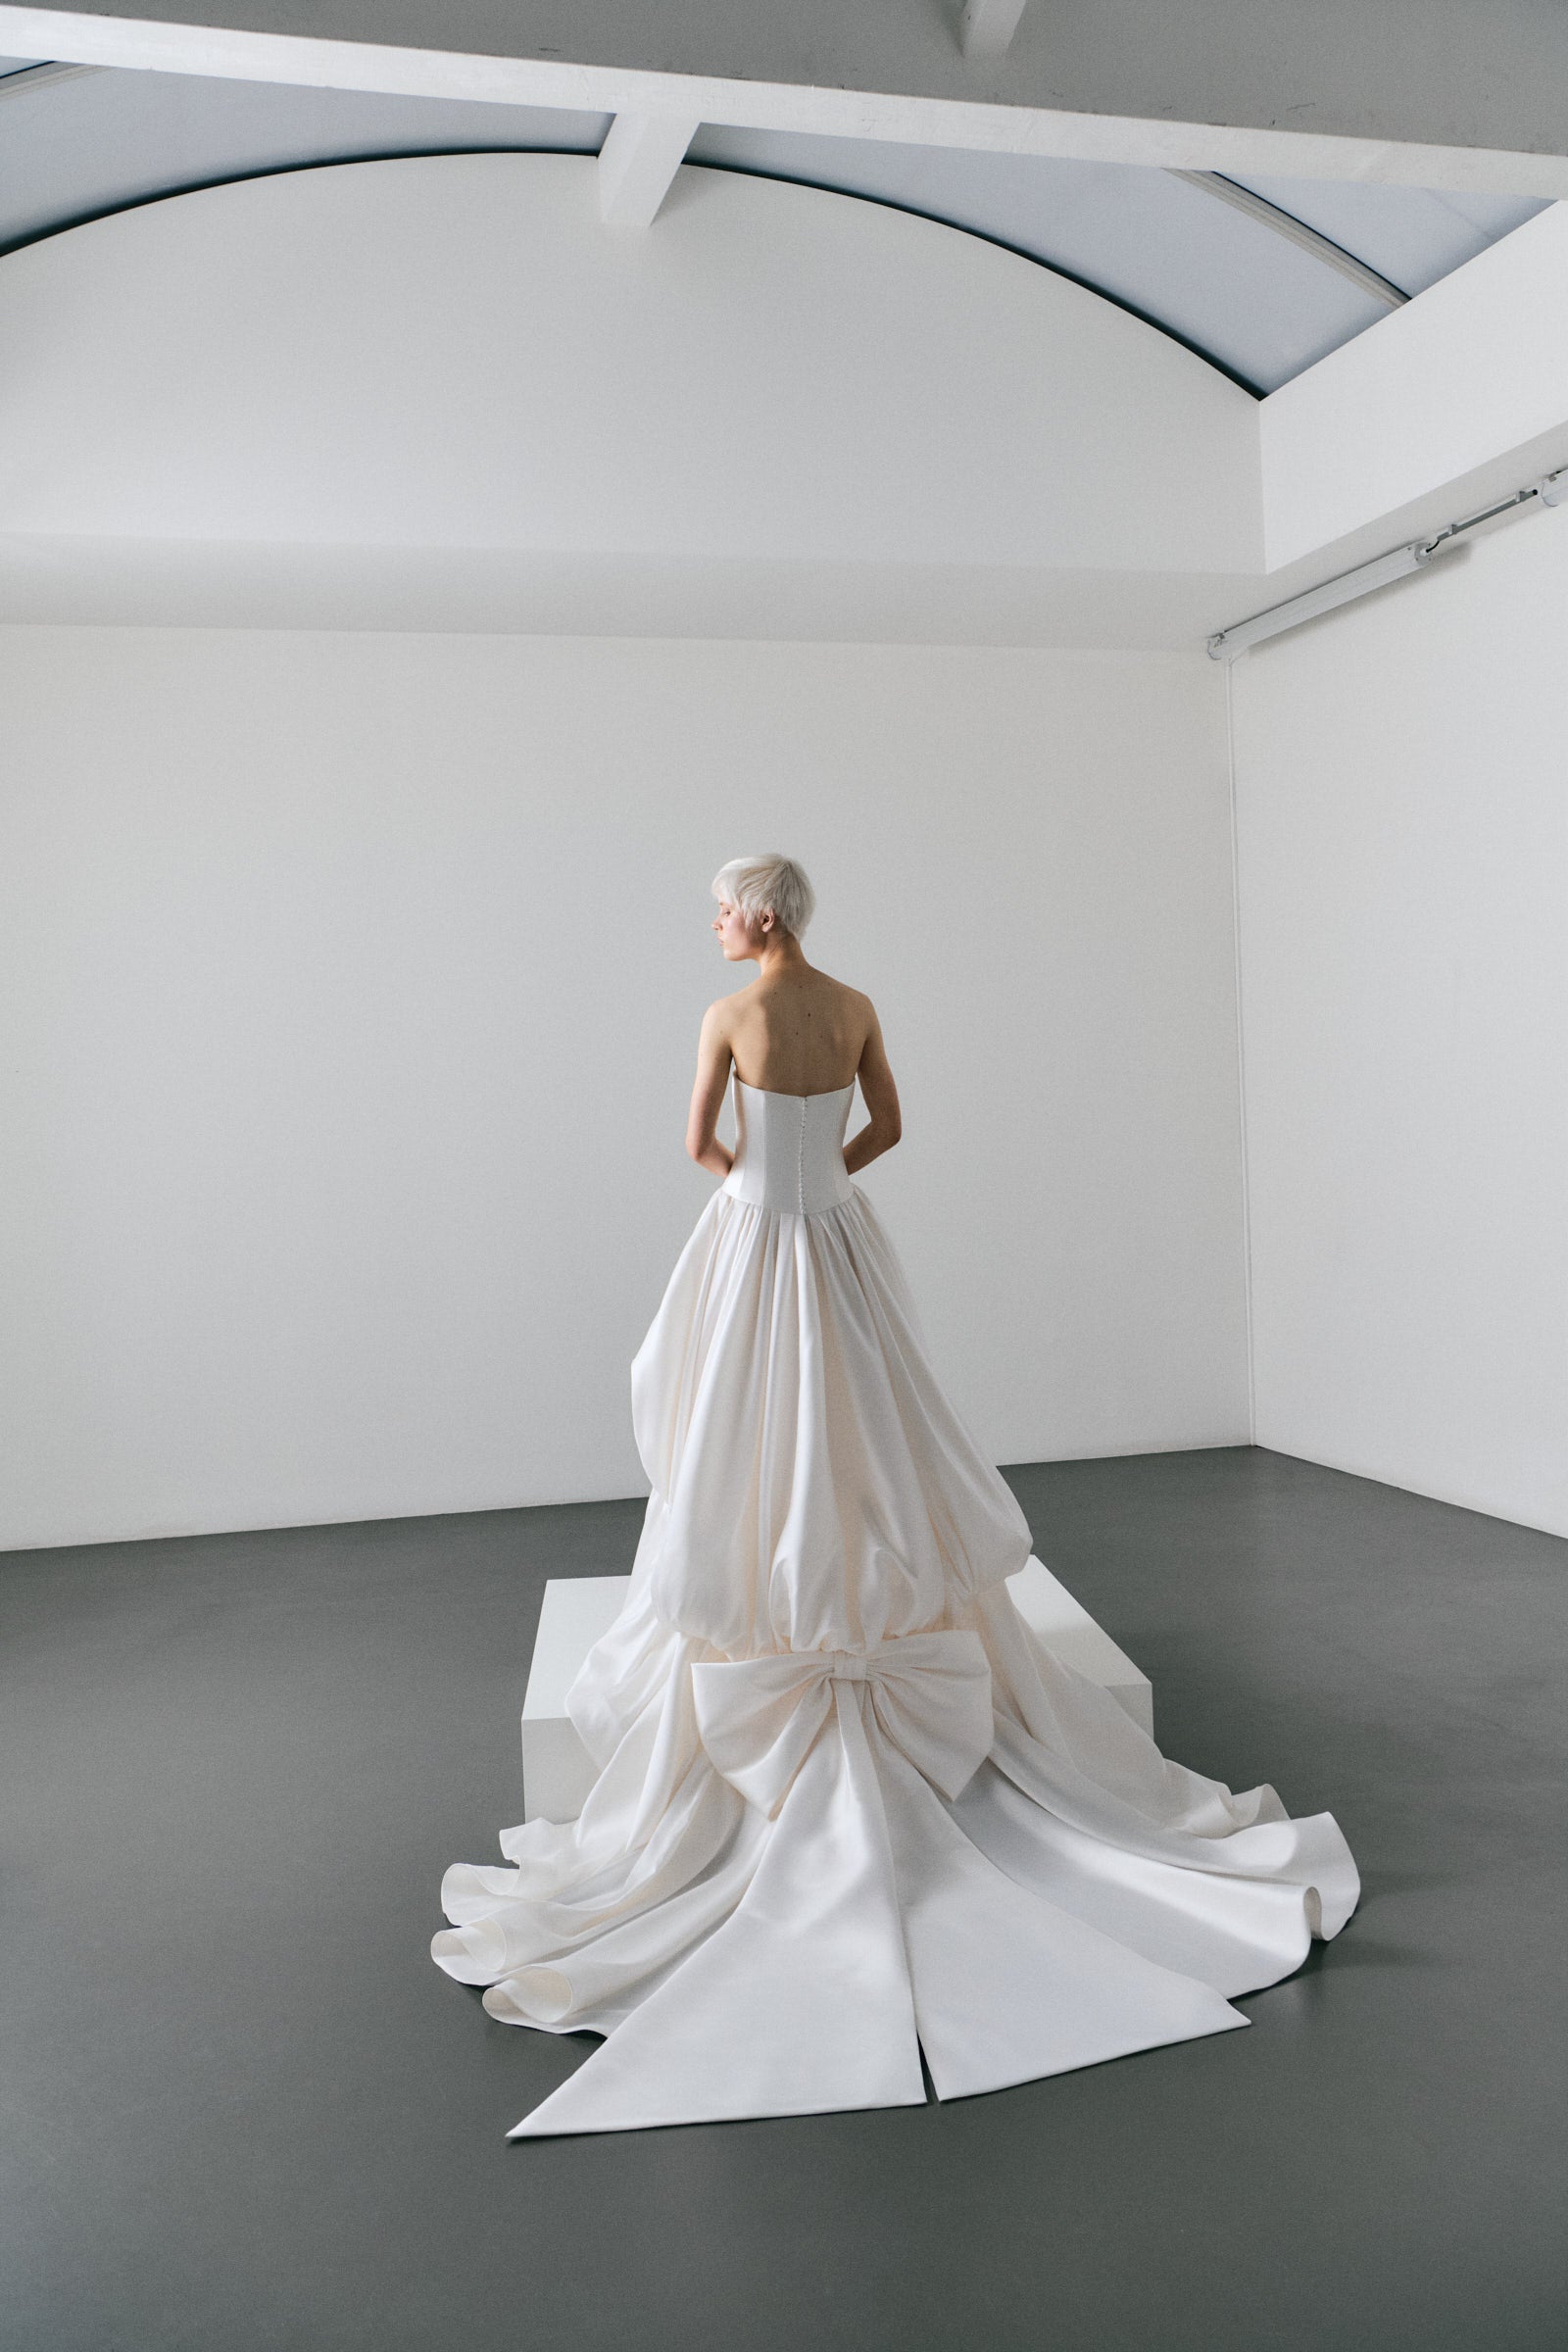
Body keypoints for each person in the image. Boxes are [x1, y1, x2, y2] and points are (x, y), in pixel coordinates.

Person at [433, 853, 1358, 2137]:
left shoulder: (730, 1014)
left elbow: (699, 1143)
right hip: (840, 1231)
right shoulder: (856, 1004)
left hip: (755, 1232)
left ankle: (770, 1585)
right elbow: (889, 1128)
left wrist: (756, 1190)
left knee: (740, 1419)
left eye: (720, 908)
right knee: (865, 1415)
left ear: (758, 915)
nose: (713, 925)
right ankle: (865, 1578)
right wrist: (824, 1180)